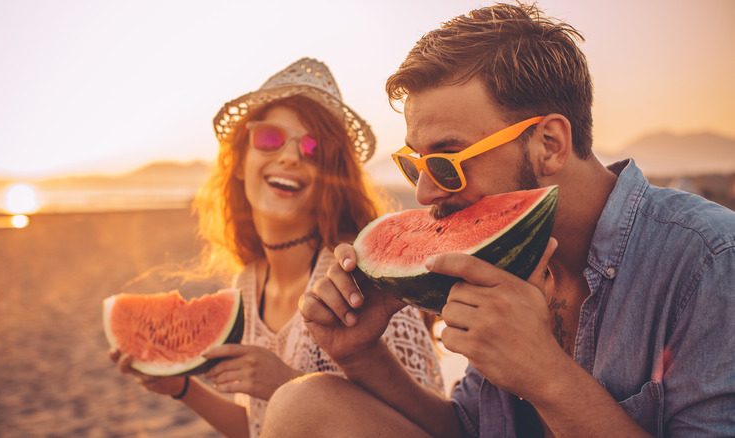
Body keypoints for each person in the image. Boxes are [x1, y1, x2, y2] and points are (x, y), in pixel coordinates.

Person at [262, 4, 735, 438]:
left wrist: (545, 373)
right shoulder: (508, 257)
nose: (425, 194)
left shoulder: (709, 262)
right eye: (416, 165)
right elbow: (468, 427)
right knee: (304, 403)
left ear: (549, 143)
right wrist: (361, 355)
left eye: (447, 162)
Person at [108, 58, 443, 438]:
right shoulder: (247, 283)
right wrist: (182, 388)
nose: (289, 156)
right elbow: (260, 427)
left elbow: (429, 430)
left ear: (330, 177)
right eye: (269, 138)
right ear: (238, 161)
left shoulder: (359, 280)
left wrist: (286, 384)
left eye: (313, 148)